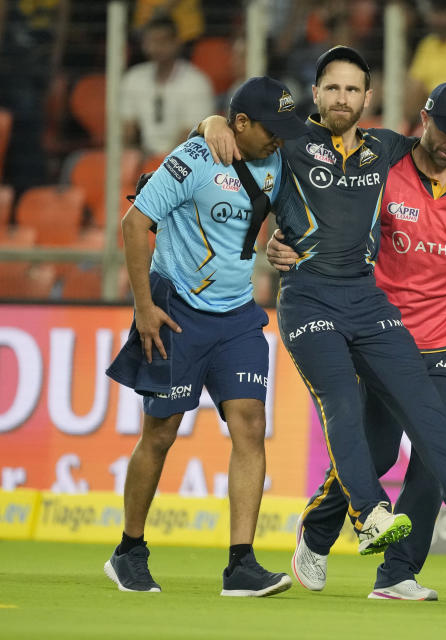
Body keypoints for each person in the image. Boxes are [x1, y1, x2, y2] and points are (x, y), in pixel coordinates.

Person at [199, 46, 446, 564]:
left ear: (367, 98)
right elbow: (235, 131)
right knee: (344, 403)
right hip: (309, 298)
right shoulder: (288, 142)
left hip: (365, 297)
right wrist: (212, 118)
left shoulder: (386, 147)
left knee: (424, 405)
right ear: (315, 93)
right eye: (332, 88)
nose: (342, 98)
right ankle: (369, 515)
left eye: (352, 89)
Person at [263, 80, 446, 600]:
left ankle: (397, 574)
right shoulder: (385, 163)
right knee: (376, 459)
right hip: (381, 336)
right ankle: (316, 534)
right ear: (424, 118)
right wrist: (286, 239)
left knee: (432, 460)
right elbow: (334, 216)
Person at [103, 76, 309, 597]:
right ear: (240, 123)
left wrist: (286, 243)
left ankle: (241, 564)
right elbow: (132, 224)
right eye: (271, 129)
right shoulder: (193, 158)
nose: (279, 139)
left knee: (249, 426)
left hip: (238, 316)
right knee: (161, 433)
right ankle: (129, 550)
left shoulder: (277, 160)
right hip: (177, 313)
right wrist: (144, 309)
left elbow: (290, 220)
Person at [121, 14, 214, 156]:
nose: (155, 48)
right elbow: (126, 131)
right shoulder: (134, 77)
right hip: (142, 159)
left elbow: (191, 137)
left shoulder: (196, 82)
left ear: (177, 42)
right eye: (150, 41)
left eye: (162, 42)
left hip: (184, 161)